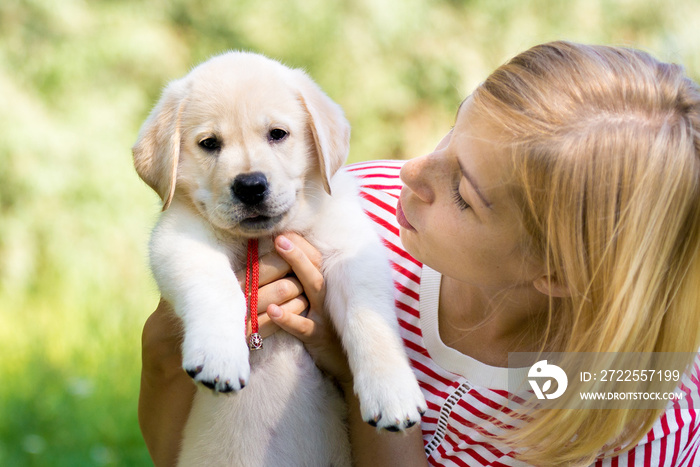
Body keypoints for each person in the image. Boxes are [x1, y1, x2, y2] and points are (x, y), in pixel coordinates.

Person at [139, 41, 700, 465]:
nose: (410, 171)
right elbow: (184, 443)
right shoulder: (369, 211)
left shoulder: (632, 401)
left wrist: (355, 366)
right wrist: (170, 341)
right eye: (448, 136)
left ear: (556, 271)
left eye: (464, 193)